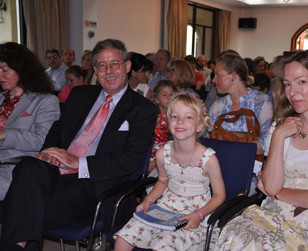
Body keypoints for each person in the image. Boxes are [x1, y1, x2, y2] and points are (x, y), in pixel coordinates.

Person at [0, 39, 158, 251]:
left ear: (127, 66)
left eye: (115, 64)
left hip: (94, 183)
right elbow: (56, 131)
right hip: (55, 171)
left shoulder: (143, 109)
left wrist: (78, 163)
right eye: (102, 65)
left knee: (21, 206)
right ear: (94, 69)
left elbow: (130, 160)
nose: (108, 71)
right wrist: (48, 152)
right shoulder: (80, 95)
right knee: (28, 166)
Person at [215, 50, 308, 250]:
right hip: (270, 216)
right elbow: (271, 188)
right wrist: (277, 136)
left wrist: (278, 193)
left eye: (301, 82)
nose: (292, 92)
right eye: (287, 84)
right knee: (234, 237)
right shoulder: (280, 128)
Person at [114, 93, 226, 251]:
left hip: (194, 213)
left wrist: (198, 215)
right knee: (123, 238)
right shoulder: (162, 154)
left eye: (188, 117)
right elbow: (162, 181)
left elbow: (220, 195)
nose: (180, 121)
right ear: (167, 122)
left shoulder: (208, 159)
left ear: (200, 125)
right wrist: (148, 201)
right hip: (165, 207)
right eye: (174, 116)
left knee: (163, 245)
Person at [0, 42, 60, 200]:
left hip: (15, 169)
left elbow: (43, 141)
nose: (0, 75)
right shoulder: (2, 98)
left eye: (5, 70)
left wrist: (4, 135)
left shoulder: (45, 101)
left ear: (22, 70)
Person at [208, 52, 273, 155]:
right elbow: (208, 142)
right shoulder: (218, 105)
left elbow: (268, 143)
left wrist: (228, 150)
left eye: (218, 74)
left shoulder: (261, 102)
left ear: (233, 75)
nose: (213, 80)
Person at [148, 80, 177, 174]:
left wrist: (155, 163)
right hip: (148, 155)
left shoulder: (177, 119)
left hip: (167, 158)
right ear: (156, 99)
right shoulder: (151, 116)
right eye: (164, 95)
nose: (169, 98)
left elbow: (176, 146)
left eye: (172, 95)